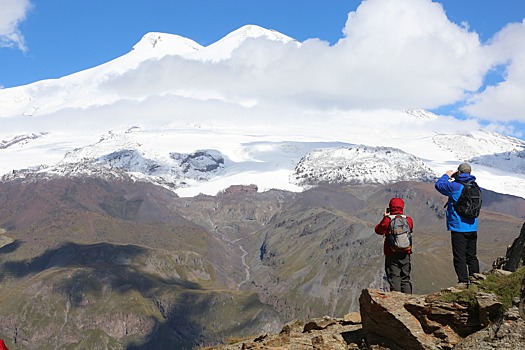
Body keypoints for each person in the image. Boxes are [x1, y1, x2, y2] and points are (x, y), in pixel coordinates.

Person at [435, 162, 480, 289]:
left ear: (459, 172)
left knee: (459, 256)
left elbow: (439, 185)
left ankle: (463, 282)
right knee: (471, 256)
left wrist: (447, 175)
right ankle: (476, 281)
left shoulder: (455, 186)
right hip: (472, 226)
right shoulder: (475, 186)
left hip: (459, 227)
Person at [375, 197, 414, 293]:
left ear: (390, 207)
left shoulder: (388, 220)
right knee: (405, 279)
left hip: (391, 253)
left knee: (394, 279)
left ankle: (397, 302)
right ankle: (408, 301)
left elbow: (378, 230)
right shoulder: (408, 220)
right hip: (405, 252)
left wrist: (385, 217)